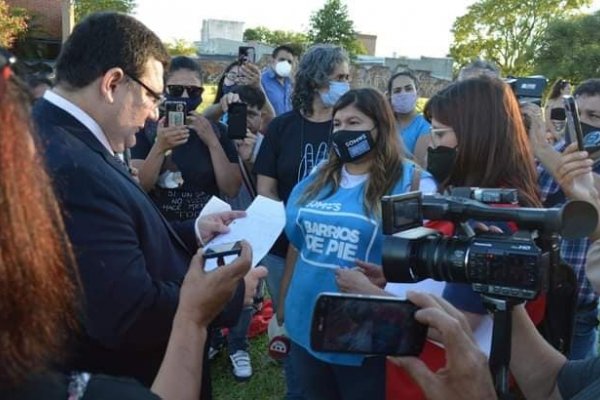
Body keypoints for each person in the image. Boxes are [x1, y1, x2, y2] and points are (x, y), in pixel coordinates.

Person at [0, 45, 262, 400]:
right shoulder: (71, 162)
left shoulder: (76, 141)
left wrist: (193, 230)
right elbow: (128, 308)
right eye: (156, 95)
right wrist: (226, 297)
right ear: (113, 83)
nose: (156, 114)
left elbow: (119, 233)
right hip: (139, 374)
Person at [278, 87, 437, 400]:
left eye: (354, 123)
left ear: (380, 127)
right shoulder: (318, 176)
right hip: (304, 319)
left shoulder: (412, 182)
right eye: (337, 124)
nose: (342, 131)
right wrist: (281, 305)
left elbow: (423, 262)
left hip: (365, 332)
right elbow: (299, 244)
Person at [254, 43, 351, 399]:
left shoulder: (348, 128)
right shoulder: (282, 128)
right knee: (291, 324)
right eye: (339, 77)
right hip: (283, 247)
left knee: (330, 327)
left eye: (348, 77)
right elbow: (266, 189)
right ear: (315, 79)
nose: (345, 84)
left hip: (332, 249)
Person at [532, 78, 600, 360]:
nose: (583, 123)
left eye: (594, 116)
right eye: (577, 114)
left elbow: (591, 192)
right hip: (535, 304)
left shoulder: (548, 154)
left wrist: (540, 147)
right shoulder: (551, 153)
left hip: (578, 314)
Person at [131, 56, 241, 221]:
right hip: (161, 229)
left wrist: (212, 142)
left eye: (193, 91)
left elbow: (231, 189)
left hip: (209, 228)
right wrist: (160, 147)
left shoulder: (217, 131)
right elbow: (140, 187)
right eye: (175, 90)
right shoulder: (144, 128)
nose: (184, 96)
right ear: (163, 90)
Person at [387, 71, 430, 161]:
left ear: (417, 93)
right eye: (397, 91)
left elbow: (419, 166)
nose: (403, 94)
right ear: (390, 96)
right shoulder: (385, 123)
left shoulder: (424, 126)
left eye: (408, 89)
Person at [261, 44, 295, 116]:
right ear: (272, 60)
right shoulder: (261, 81)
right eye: (282, 60)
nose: (286, 63)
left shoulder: (290, 83)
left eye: (289, 62)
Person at [544, 78, 572, 143]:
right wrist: (555, 134)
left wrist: (562, 132)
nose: (570, 91)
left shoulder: (568, 103)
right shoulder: (550, 102)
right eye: (568, 89)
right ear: (561, 90)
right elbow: (547, 119)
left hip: (563, 130)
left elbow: (569, 119)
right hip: (550, 130)